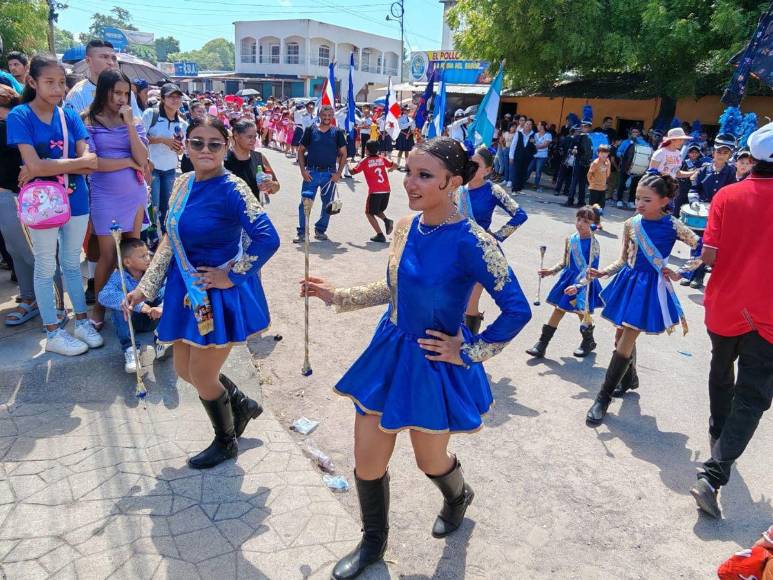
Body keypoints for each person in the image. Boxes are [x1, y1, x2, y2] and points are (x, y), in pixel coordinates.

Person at [300, 137, 532, 580]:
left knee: (430, 461)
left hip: (433, 363)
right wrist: (338, 295)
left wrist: (468, 351)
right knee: (367, 458)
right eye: (409, 172)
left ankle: (458, 496)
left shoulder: (474, 242)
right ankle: (372, 545)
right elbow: (395, 289)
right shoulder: (406, 226)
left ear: (454, 182)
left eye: (424, 175)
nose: (410, 183)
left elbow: (518, 308)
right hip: (389, 352)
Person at [125, 115, 280, 469]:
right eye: (197, 142)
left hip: (215, 294)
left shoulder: (234, 189)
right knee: (184, 370)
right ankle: (240, 404)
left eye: (214, 143)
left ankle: (226, 442)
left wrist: (233, 275)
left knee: (203, 375)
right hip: (184, 290)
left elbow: (268, 238)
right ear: (186, 145)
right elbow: (169, 240)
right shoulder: (181, 184)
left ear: (226, 147)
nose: (205, 149)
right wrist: (145, 289)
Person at [688, 122, 773, 519]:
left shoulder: (727, 194)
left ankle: (718, 433)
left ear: (752, 158)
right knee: (753, 396)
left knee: (721, 371)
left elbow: (709, 257)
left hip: (724, 307)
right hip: (769, 317)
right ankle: (714, 472)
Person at [585, 172, 700, 425]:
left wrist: (682, 271)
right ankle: (630, 378)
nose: (639, 204)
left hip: (650, 289)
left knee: (626, 337)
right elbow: (624, 259)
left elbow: (700, 246)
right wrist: (603, 272)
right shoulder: (631, 223)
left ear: (664, 200)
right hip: (628, 282)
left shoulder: (673, 225)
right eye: (637, 198)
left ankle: (602, 398)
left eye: (647, 199)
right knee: (620, 335)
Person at [7, 54, 103, 356]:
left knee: (73, 264)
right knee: (46, 266)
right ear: (32, 82)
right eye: (50, 82)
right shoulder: (20, 116)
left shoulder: (70, 116)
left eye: (62, 82)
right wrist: (69, 163)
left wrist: (46, 165)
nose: (58, 89)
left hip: (76, 198)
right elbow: (32, 164)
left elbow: (92, 163)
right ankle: (52, 330)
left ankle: (81, 321)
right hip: (42, 204)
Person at [83, 69, 149, 329]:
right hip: (105, 196)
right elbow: (93, 163)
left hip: (134, 194)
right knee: (108, 257)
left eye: (126, 93)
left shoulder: (134, 120)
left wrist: (130, 125)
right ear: (104, 92)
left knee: (132, 252)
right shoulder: (88, 119)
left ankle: (132, 304)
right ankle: (99, 309)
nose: (122, 98)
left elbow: (142, 159)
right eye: (116, 93)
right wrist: (126, 161)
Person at [457, 146, 528, 333]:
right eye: (469, 163)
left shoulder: (493, 190)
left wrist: (496, 237)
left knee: (470, 303)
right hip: (455, 249)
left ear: (488, 170)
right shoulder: (458, 188)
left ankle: (469, 347)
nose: (471, 167)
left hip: (480, 251)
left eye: (477, 165)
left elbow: (520, 214)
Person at [526, 206, 603, 358]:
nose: (580, 223)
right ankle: (542, 344)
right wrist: (551, 271)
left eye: (586, 221)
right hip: (568, 280)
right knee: (559, 309)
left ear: (594, 224)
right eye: (579, 219)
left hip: (583, 283)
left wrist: (578, 285)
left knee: (582, 313)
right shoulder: (571, 239)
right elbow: (565, 262)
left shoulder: (594, 244)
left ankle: (588, 341)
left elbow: (593, 269)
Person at [0, 85, 39, 327]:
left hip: (14, 197)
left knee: (30, 254)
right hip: (9, 197)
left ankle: (49, 303)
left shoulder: (7, 127)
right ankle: (29, 297)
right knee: (17, 253)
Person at [98, 238, 166, 373]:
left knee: (166, 292)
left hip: (154, 316)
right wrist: (138, 306)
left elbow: (167, 288)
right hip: (131, 321)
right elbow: (103, 295)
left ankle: (162, 336)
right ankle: (131, 349)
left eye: (148, 254)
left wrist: (162, 307)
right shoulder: (119, 277)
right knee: (120, 306)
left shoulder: (152, 273)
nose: (148, 258)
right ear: (127, 262)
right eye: (142, 256)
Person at [681, 133, 737, 289]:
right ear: (713, 152)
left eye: (725, 152)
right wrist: (694, 201)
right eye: (719, 151)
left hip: (719, 214)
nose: (721, 155)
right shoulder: (704, 170)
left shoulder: (731, 172)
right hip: (702, 212)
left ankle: (698, 277)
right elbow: (694, 189)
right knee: (696, 244)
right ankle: (690, 273)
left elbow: (733, 192)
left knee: (708, 245)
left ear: (730, 155)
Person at [294, 104, 347, 243]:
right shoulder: (310, 130)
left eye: (329, 115)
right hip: (311, 173)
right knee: (305, 203)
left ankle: (320, 229)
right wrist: (303, 170)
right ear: (319, 115)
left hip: (329, 176)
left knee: (328, 205)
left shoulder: (337, 132)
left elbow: (344, 154)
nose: (327, 118)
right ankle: (302, 232)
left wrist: (338, 173)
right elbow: (300, 150)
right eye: (324, 115)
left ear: (333, 116)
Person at [143, 83, 187, 233]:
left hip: (170, 170)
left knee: (167, 207)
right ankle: (152, 238)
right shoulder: (151, 114)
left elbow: (181, 151)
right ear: (162, 98)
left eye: (178, 97)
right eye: (171, 96)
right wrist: (162, 139)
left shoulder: (182, 124)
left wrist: (178, 148)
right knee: (153, 206)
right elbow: (140, 139)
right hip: (152, 168)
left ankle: (164, 238)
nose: (175, 100)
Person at [64, 40, 143, 119]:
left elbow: (138, 127)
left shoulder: (126, 92)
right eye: (104, 57)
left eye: (114, 58)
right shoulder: (77, 94)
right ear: (88, 61)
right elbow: (71, 127)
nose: (111, 62)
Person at [224, 119, 280, 204]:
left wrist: (271, 185)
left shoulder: (259, 157)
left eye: (255, 136)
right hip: (229, 214)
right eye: (249, 137)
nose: (253, 140)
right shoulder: (224, 159)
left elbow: (276, 186)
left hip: (255, 213)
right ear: (236, 136)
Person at [350, 140, 394, 243]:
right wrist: (391, 169)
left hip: (375, 191)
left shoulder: (365, 161)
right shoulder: (382, 159)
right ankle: (387, 221)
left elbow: (353, 172)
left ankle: (380, 234)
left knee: (369, 212)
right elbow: (393, 164)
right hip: (386, 190)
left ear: (366, 150)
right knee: (376, 209)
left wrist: (346, 165)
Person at [615, 126, 648, 209]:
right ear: (630, 133)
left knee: (634, 185)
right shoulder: (625, 142)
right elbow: (618, 152)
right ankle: (619, 200)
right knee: (622, 183)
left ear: (639, 133)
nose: (635, 134)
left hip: (636, 167)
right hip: (625, 165)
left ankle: (631, 201)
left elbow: (647, 150)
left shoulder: (643, 142)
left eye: (636, 132)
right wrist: (621, 155)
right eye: (633, 132)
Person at [674, 143, 708, 217]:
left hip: (693, 189)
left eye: (696, 153)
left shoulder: (702, 164)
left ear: (699, 154)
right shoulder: (684, 162)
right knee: (677, 206)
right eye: (692, 152)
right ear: (688, 153)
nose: (694, 154)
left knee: (689, 207)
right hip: (682, 188)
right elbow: (678, 174)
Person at [565, 120, 593, 206]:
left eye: (587, 127)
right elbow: (570, 149)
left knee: (583, 183)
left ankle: (581, 201)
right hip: (578, 162)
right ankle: (570, 200)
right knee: (574, 182)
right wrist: (573, 151)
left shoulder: (589, 138)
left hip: (586, 163)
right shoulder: (577, 137)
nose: (585, 128)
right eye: (584, 126)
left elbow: (590, 151)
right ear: (581, 127)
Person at [524, 121, 551, 192]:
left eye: (539, 125)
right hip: (534, 155)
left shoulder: (548, 135)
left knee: (538, 171)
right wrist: (535, 144)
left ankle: (536, 185)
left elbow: (545, 145)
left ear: (542, 126)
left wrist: (535, 144)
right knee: (529, 169)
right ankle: (523, 181)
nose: (537, 126)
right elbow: (531, 143)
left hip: (542, 156)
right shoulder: (535, 134)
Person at [509, 119, 535, 193]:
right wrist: (511, 157)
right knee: (516, 172)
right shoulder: (518, 133)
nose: (528, 125)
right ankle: (514, 189)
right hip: (517, 156)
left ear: (531, 126)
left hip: (526, 158)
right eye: (527, 124)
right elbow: (513, 145)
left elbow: (534, 147)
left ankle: (519, 189)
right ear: (524, 124)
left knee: (523, 173)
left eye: (530, 124)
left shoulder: (533, 135)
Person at [181, 101, 206, 173]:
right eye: (199, 111)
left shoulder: (208, 126)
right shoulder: (185, 124)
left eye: (203, 111)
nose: (202, 114)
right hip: (189, 159)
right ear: (191, 112)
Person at [587, 144, 612, 208]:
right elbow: (589, 174)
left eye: (605, 153)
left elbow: (608, 174)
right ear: (598, 153)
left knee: (601, 207)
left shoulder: (607, 162)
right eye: (601, 153)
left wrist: (608, 165)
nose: (604, 154)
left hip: (602, 188)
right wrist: (591, 183)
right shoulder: (595, 163)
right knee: (592, 207)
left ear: (608, 153)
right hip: (594, 188)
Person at [395, 105, 415, 170]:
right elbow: (401, 127)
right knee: (401, 150)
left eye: (408, 110)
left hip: (409, 135)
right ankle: (397, 165)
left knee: (407, 151)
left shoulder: (410, 118)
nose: (407, 111)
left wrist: (412, 128)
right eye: (406, 110)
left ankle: (407, 165)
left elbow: (413, 127)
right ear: (403, 111)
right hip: (402, 135)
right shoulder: (400, 118)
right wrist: (409, 123)